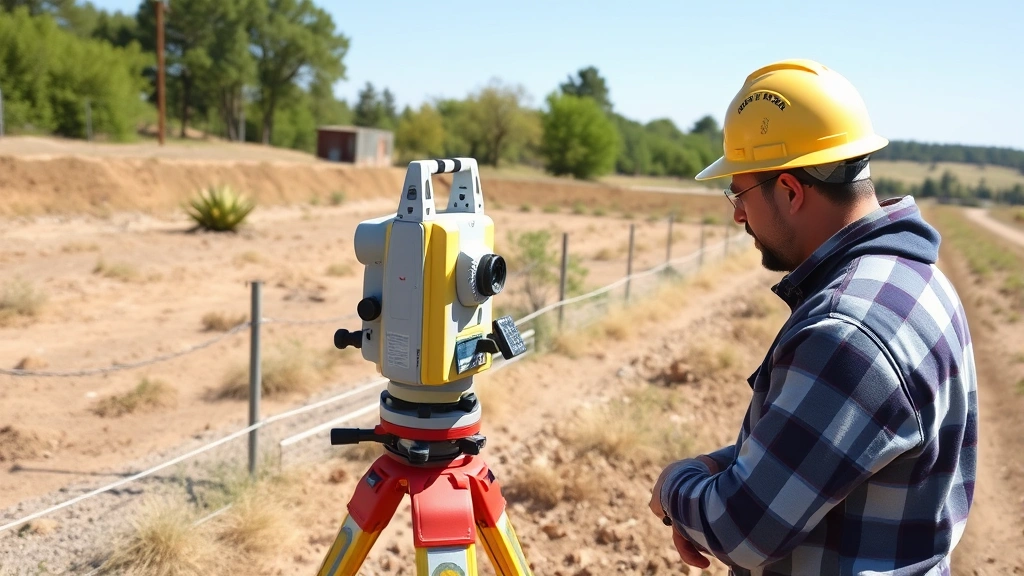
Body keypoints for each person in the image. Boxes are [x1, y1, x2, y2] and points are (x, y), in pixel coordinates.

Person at [648, 59, 978, 576]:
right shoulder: (915, 283)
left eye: (740, 192)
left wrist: (676, 484)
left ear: (791, 191)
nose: (737, 213)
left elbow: (742, 530)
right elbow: (830, 445)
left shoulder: (849, 331)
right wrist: (724, 463)